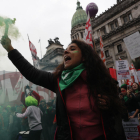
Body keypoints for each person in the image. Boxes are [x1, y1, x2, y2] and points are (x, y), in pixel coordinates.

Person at [1, 37, 124, 140]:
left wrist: (109, 103)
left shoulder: (101, 80)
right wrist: (10, 49)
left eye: (72, 49)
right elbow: (31, 73)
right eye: (65, 50)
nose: (66, 52)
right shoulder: (59, 81)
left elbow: (121, 111)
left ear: (84, 57)